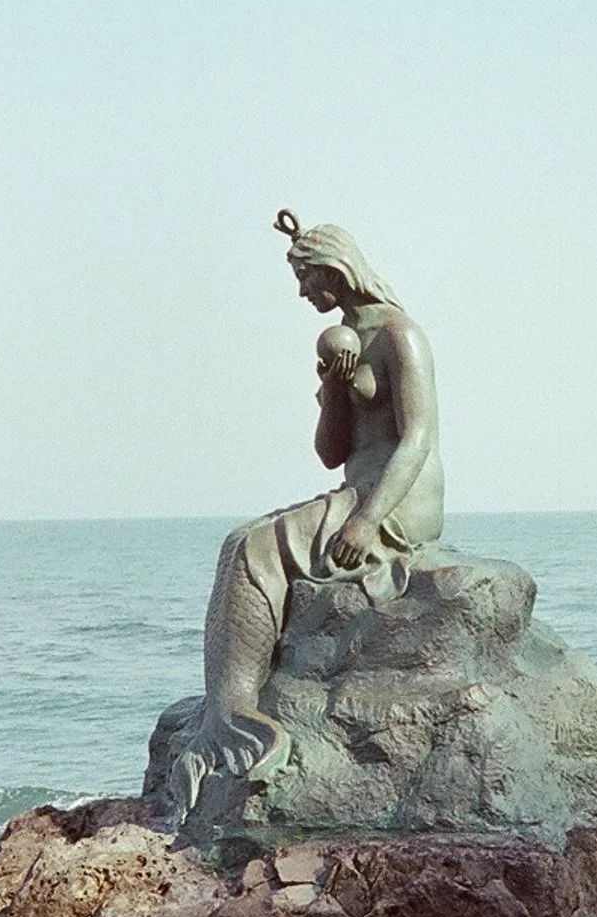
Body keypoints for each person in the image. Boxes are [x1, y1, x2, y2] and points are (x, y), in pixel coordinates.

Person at [164, 211, 443, 823]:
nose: (301, 293)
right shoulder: (343, 345)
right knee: (241, 543)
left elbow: (417, 437)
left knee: (251, 548)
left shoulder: (400, 336)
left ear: (335, 272)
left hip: (399, 500)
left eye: (305, 278)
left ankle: (235, 712)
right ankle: (230, 706)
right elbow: (330, 453)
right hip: (354, 484)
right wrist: (337, 390)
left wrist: (367, 522)